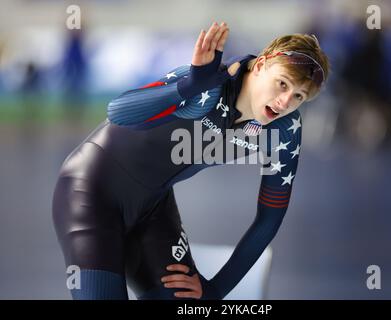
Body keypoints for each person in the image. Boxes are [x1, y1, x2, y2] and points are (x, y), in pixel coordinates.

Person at [52, 21, 330, 300]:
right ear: (260, 67)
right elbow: (118, 112)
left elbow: (270, 218)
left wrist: (217, 289)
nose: (284, 102)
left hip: (152, 208)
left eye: (298, 96)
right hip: (91, 193)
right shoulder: (211, 85)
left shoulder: (283, 130)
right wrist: (190, 85)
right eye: (282, 84)